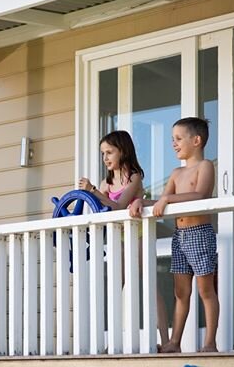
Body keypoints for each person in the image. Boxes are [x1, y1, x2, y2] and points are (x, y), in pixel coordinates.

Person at [129, 117, 218, 353]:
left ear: (196, 140)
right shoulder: (176, 172)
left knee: (205, 290)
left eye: (178, 138)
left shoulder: (205, 166)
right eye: (172, 139)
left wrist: (168, 199)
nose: (174, 143)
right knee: (181, 292)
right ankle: (175, 342)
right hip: (180, 237)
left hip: (199, 233)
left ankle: (209, 342)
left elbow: (201, 196)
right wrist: (140, 201)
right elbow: (160, 201)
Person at [79, 130, 170, 347]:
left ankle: (166, 341)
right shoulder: (105, 183)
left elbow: (120, 206)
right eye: (103, 154)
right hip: (117, 238)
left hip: (138, 234)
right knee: (116, 286)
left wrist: (92, 190)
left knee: (149, 284)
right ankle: (113, 342)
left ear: (123, 151)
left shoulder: (135, 177)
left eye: (109, 152)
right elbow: (101, 210)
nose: (106, 158)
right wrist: (92, 194)